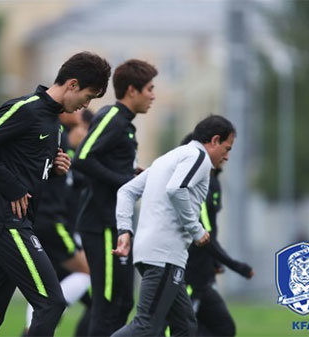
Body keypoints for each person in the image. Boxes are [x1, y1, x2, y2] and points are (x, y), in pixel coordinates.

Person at [0, 52, 111, 337]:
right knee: (51, 303)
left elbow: (26, 164)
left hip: (7, 224)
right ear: (72, 84)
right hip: (6, 223)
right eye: (88, 97)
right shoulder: (26, 109)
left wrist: (54, 168)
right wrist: (13, 188)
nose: (86, 106)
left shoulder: (53, 122)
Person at [111, 115, 236, 337]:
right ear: (214, 140)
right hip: (164, 256)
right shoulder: (199, 157)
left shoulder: (167, 158)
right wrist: (196, 230)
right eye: (227, 149)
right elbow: (176, 189)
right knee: (146, 325)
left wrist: (124, 230)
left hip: (152, 254)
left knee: (185, 326)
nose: (227, 157)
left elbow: (126, 191)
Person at [73, 59, 157, 336]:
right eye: (149, 88)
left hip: (116, 225)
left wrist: (131, 172)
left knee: (122, 302)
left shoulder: (126, 125)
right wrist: (126, 182)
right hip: (101, 224)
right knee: (108, 303)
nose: (153, 95)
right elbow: (83, 158)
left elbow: (105, 161)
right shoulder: (112, 116)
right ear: (132, 90)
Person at [23, 108, 93, 335]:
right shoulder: (57, 137)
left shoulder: (68, 147)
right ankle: (41, 321)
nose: (79, 107)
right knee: (87, 273)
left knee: (49, 284)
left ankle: (34, 326)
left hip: (53, 224)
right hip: (52, 224)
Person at [181, 134, 254, 337]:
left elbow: (209, 233)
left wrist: (214, 260)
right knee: (175, 329)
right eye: (226, 149)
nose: (227, 156)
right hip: (188, 276)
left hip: (204, 276)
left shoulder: (214, 183)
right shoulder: (197, 183)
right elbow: (202, 233)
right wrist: (234, 265)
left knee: (223, 328)